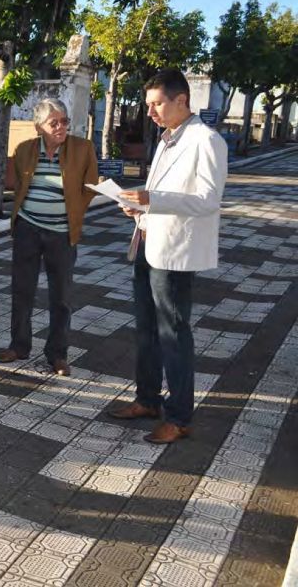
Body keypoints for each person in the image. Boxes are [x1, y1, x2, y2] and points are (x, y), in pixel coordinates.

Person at [108, 69, 228, 444]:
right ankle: (147, 399)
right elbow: (160, 192)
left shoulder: (206, 140)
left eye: (157, 104)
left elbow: (208, 201)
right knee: (147, 330)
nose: (151, 112)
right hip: (148, 241)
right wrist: (139, 207)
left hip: (174, 253)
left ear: (181, 100)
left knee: (173, 334)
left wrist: (153, 200)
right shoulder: (166, 139)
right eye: (148, 105)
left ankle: (179, 417)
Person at [0, 99, 98, 376]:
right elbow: (17, 183)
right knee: (22, 290)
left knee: (61, 296)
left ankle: (58, 354)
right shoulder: (25, 149)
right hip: (28, 228)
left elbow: (91, 187)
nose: (62, 127)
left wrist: (72, 211)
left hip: (62, 233)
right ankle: (19, 345)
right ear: (39, 126)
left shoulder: (83, 148)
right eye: (55, 122)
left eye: (64, 121)